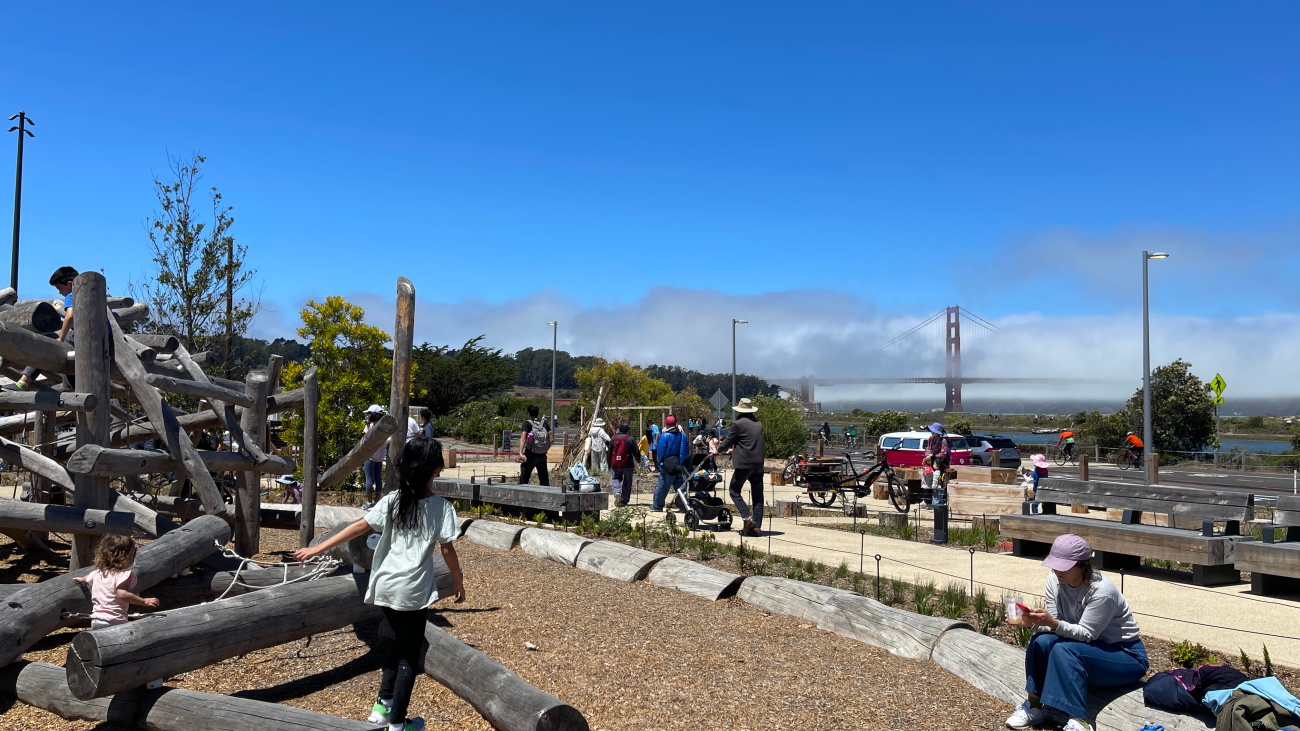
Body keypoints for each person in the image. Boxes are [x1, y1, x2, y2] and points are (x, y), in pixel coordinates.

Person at [294, 436, 465, 731]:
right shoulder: (441, 507)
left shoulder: (392, 501)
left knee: (399, 642)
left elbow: (358, 526)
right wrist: (458, 581)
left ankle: (382, 705)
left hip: (384, 585)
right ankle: (398, 725)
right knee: (410, 657)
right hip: (412, 591)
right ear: (437, 469)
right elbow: (448, 549)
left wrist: (317, 548)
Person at [1005, 534, 1147, 731]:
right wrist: (1032, 623)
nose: (1056, 570)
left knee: (1064, 650)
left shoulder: (1101, 591)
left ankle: (1079, 721)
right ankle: (1035, 706)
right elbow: (1055, 626)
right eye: (1054, 564)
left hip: (1126, 655)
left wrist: (1053, 624)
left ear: (1083, 565)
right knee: (1040, 642)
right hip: (1087, 648)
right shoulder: (1054, 580)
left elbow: (1086, 634)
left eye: (1064, 566)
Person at [73, 534, 160, 629]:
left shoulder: (96, 574)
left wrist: (81, 579)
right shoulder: (121, 576)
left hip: (96, 620)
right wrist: (144, 601)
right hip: (115, 620)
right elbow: (123, 594)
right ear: (127, 557)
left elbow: (86, 578)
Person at [14, 266, 79, 390]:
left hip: (80, 336)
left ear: (70, 284)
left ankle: (24, 381)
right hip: (100, 336)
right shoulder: (93, 295)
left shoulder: (72, 294)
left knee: (48, 343)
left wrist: (61, 337)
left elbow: (70, 315)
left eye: (60, 288)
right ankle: (71, 386)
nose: (60, 292)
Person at [717, 398, 765, 537]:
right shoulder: (758, 423)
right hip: (758, 464)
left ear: (739, 411)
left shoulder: (738, 424)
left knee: (734, 490)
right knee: (758, 497)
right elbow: (749, 442)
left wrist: (718, 450)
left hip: (745, 464)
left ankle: (747, 519)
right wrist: (735, 450)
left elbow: (728, 441)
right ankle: (756, 528)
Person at [651, 416, 690, 512]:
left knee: (662, 487)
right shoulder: (682, 435)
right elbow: (685, 450)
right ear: (676, 423)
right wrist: (682, 463)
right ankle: (684, 506)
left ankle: (657, 506)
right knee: (681, 488)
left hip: (667, 465)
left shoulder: (664, 436)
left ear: (666, 424)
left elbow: (660, 451)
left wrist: (659, 463)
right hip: (679, 466)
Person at [518, 404, 551, 486]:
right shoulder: (544, 424)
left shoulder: (527, 423)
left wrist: (520, 452)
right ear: (537, 413)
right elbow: (552, 439)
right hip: (542, 455)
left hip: (530, 454)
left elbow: (523, 438)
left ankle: (521, 495)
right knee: (544, 479)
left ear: (529, 414)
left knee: (524, 478)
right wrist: (545, 448)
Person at [609, 423, 641, 506]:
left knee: (615, 478)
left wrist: (609, 463)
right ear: (627, 430)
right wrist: (638, 460)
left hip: (615, 463)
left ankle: (617, 492)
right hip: (628, 463)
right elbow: (636, 451)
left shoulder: (613, 438)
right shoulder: (630, 439)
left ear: (619, 429)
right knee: (627, 481)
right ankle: (624, 500)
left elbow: (609, 452)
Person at [362, 405, 387, 509]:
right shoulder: (384, 426)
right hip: (380, 456)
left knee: (369, 478)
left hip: (370, 455)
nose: (368, 415)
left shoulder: (370, 426)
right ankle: (377, 501)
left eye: (369, 413)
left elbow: (364, 439)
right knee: (378, 478)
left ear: (373, 414)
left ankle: (369, 502)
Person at [925, 423, 951, 506]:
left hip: (940, 465)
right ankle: (928, 501)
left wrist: (933, 457)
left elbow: (943, 453)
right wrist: (928, 456)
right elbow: (928, 449)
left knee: (938, 484)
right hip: (932, 464)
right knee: (929, 482)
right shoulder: (932, 440)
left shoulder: (943, 441)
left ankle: (937, 503)